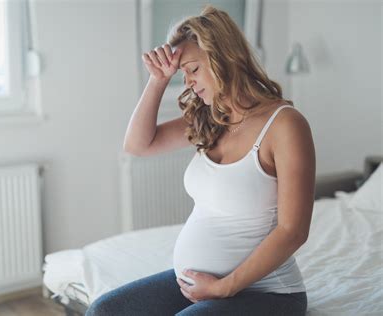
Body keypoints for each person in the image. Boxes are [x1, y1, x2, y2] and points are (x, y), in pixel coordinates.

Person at [86, 4, 315, 316]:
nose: (188, 82)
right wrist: (157, 80)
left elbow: (293, 231)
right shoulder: (210, 119)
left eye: (192, 69)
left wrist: (224, 287)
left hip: (269, 294)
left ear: (224, 58)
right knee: (105, 310)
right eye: (183, 75)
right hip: (200, 287)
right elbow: (138, 145)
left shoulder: (285, 124)